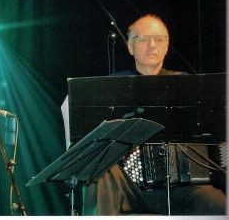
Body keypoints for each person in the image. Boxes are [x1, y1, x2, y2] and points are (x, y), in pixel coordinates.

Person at [81, 14, 226, 215]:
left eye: (158, 39)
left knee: (217, 203)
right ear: (130, 47)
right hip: (131, 190)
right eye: (142, 39)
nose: (152, 45)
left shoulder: (186, 83)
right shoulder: (112, 87)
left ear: (167, 46)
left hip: (182, 189)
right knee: (102, 170)